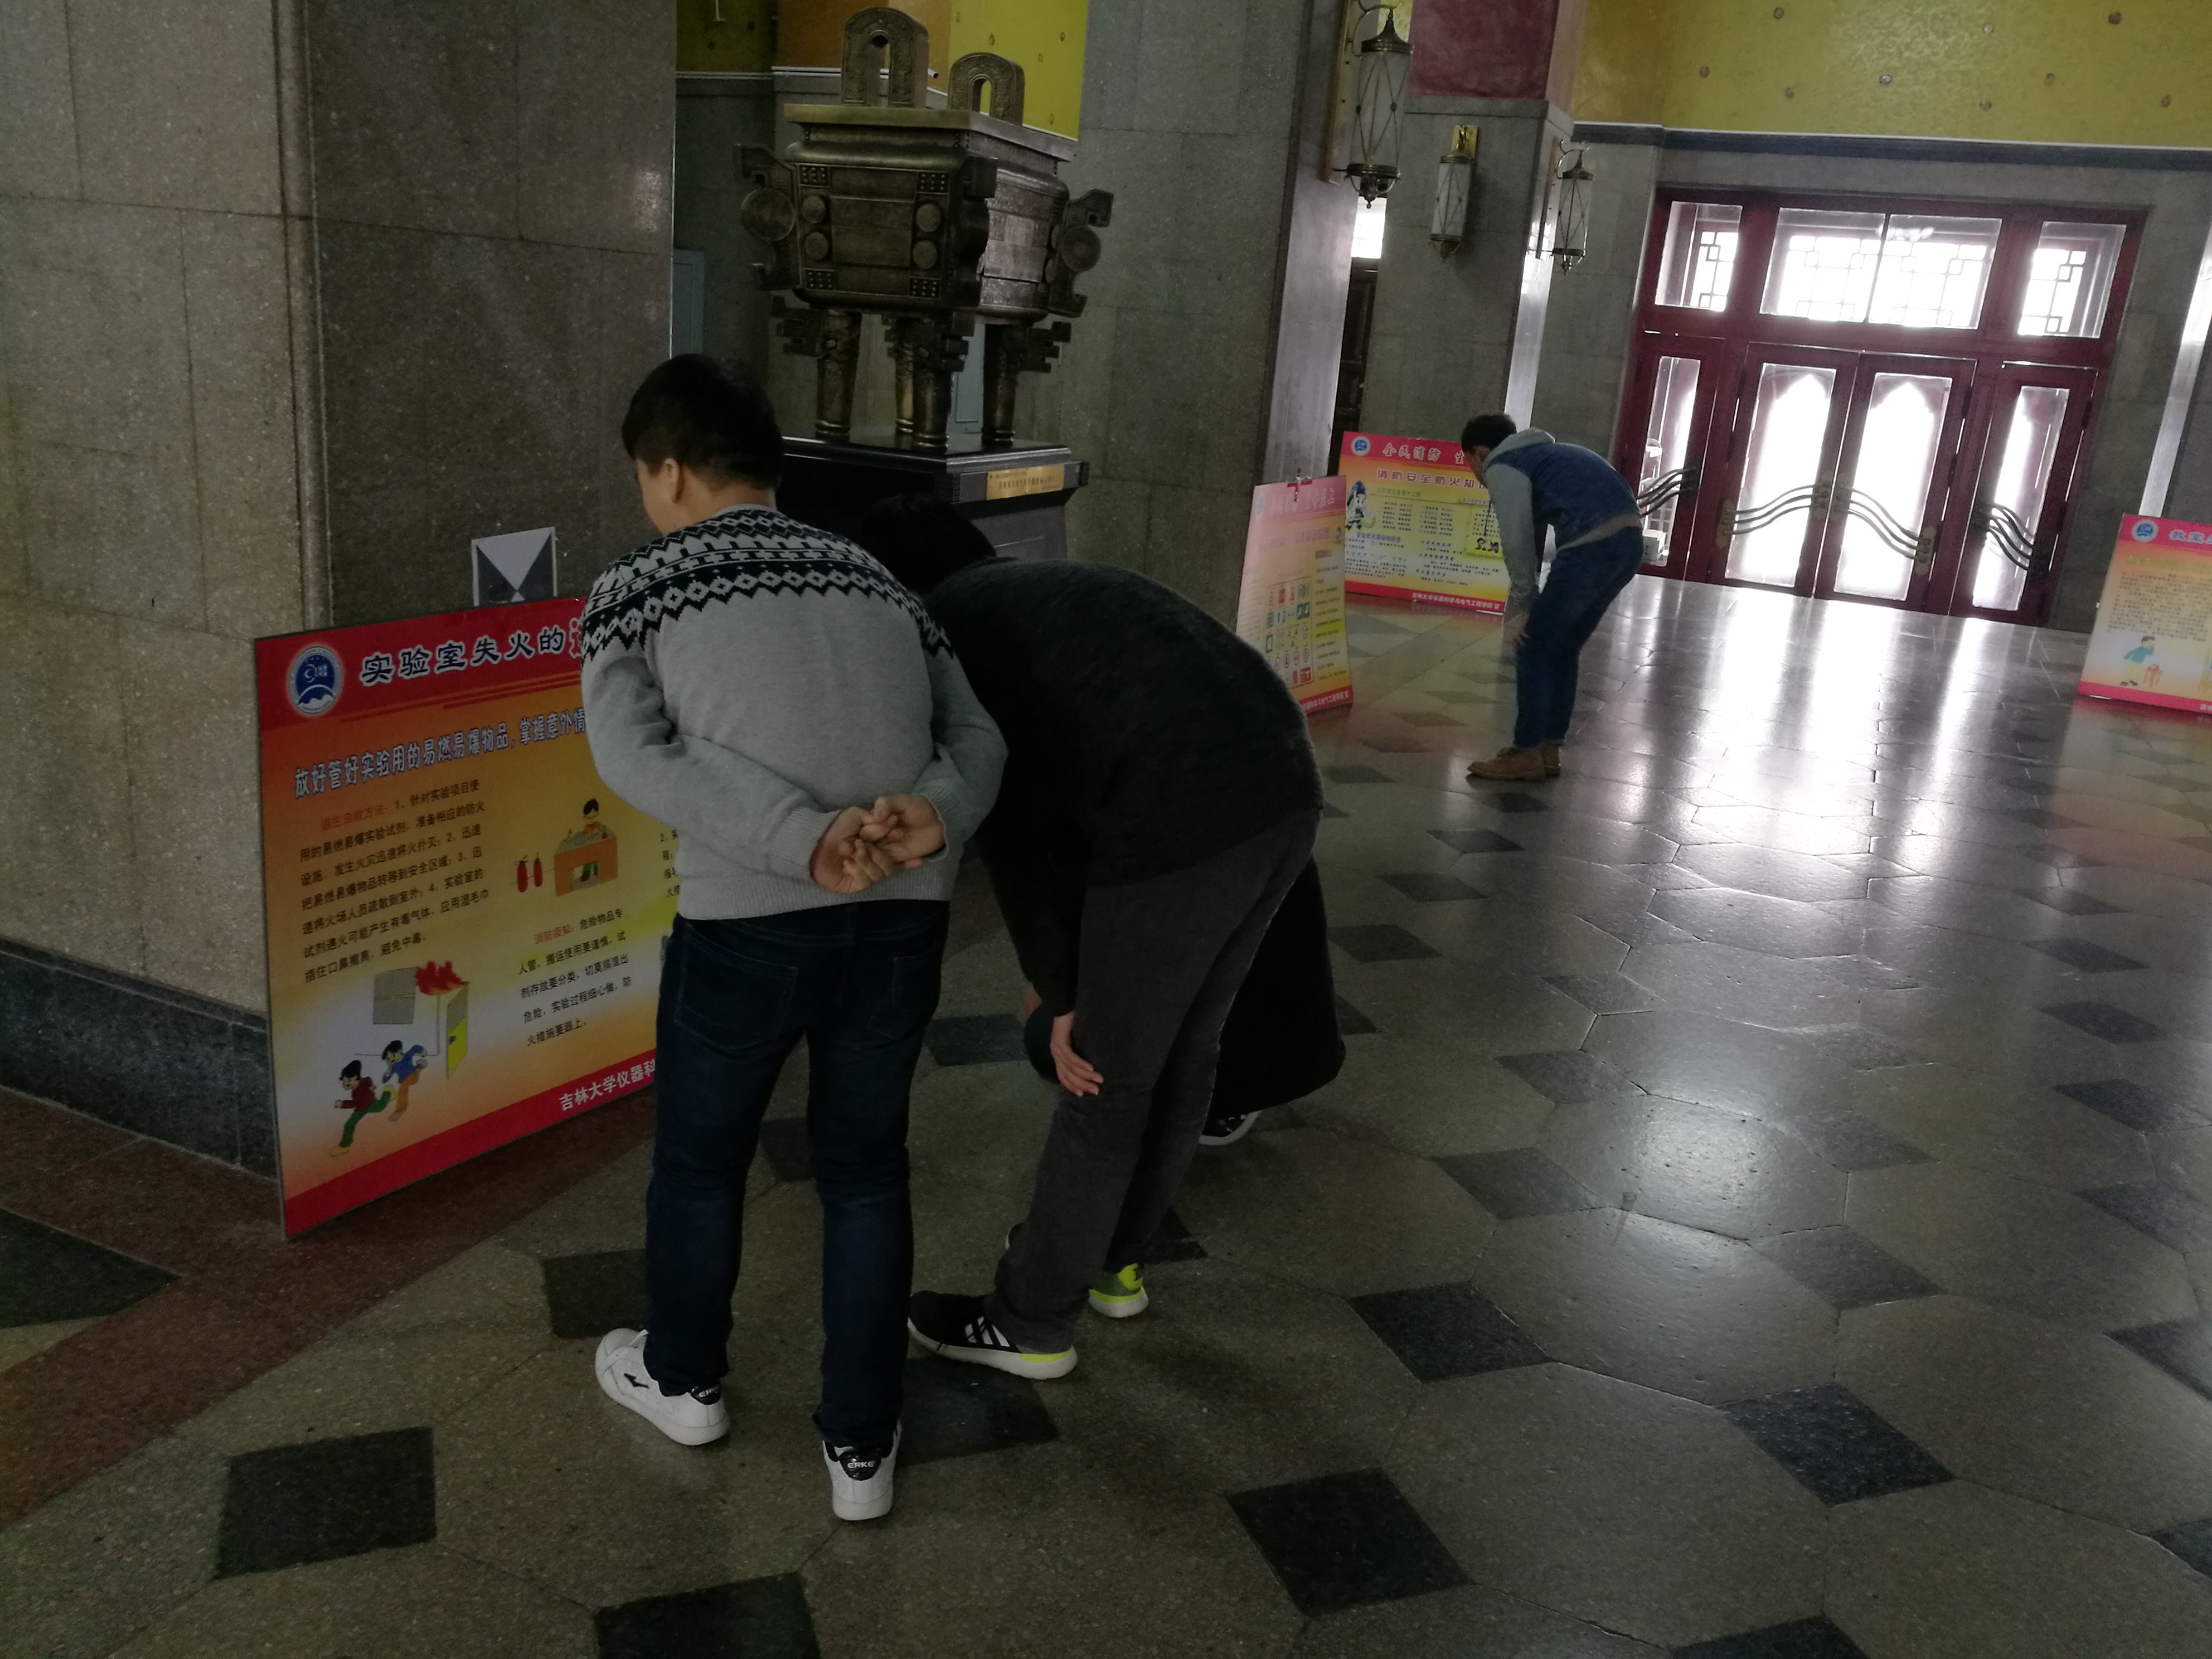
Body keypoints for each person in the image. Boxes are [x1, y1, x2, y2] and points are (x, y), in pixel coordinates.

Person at [579, 356, 1005, 1524]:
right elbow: (977, 733)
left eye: (642, 478)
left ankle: (683, 1381)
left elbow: (632, 756)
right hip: (903, 916)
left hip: (746, 927)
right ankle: (861, 1447)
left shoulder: (637, 585)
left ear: (669, 471)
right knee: (865, 1171)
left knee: (700, 1163)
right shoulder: (879, 577)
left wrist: (798, 840)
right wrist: (936, 814)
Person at [853, 496, 1321, 1378]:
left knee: (1101, 1075)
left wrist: (1063, 993)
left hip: (1182, 820)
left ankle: (1030, 1321)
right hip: (1285, 790)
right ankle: (1113, 1263)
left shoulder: (953, 631)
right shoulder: (1043, 589)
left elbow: (1018, 835)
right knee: (1185, 1053)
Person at [1461, 413, 1644, 783]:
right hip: (1628, 544)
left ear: (1480, 453)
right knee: (1561, 649)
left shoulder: (1503, 466)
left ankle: (1525, 751)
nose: (1475, 473)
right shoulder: (1545, 455)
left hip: (1592, 545)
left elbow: (1517, 544)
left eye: (1469, 463)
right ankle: (1547, 748)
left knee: (1532, 646)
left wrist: (1522, 609)